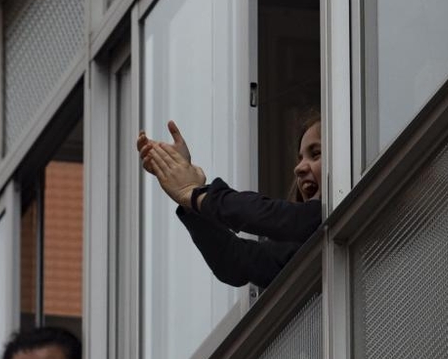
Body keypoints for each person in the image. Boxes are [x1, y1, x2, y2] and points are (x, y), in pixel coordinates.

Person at [137, 111, 323, 289]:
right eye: (300, 158)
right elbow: (234, 260)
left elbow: (266, 215)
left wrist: (196, 194)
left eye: (316, 154)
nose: (298, 168)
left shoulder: (325, 214)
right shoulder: (300, 247)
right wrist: (190, 199)